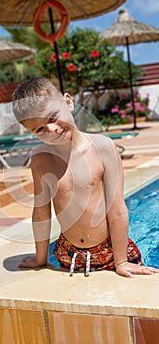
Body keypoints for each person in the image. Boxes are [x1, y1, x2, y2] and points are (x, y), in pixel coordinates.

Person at [12, 77, 159, 277]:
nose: (52, 130)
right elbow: (41, 213)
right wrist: (40, 258)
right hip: (68, 254)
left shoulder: (103, 148)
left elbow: (116, 210)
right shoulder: (40, 160)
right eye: (39, 130)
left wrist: (121, 261)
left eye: (53, 117)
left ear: (68, 102)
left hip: (110, 252)